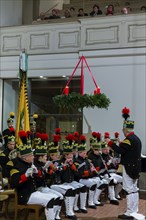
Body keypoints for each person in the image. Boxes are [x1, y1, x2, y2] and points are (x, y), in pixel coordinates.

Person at [10, 131, 60, 220]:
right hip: (25, 195)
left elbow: (38, 180)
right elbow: (13, 183)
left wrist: (40, 172)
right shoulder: (16, 166)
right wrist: (25, 175)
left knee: (55, 198)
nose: (33, 157)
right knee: (51, 200)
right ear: (25, 157)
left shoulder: (30, 164)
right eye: (31, 155)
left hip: (34, 191)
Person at [105, 107, 142, 220]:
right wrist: (121, 143)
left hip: (129, 167)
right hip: (136, 167)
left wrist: (110, 143)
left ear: (126, 130)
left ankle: (130, 212)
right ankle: (134, 210)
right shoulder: (136, 138)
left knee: (129, 189)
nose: (122, 131)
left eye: (123, 130)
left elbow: (120, 151)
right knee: (134, 189)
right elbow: (127, 148)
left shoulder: (129, 140)